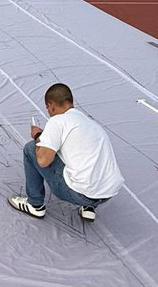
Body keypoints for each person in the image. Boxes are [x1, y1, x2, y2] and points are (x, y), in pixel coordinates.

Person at [8, 82, 123, 223]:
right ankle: (88, 208)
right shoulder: (91, 123)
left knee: (31, 149)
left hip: (81, 193)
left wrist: (39, 136)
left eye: (48, 108)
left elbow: (43, 161)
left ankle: (35, 205)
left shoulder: (57, 121)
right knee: (83, 157)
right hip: (107, 193)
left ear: (51, 106)